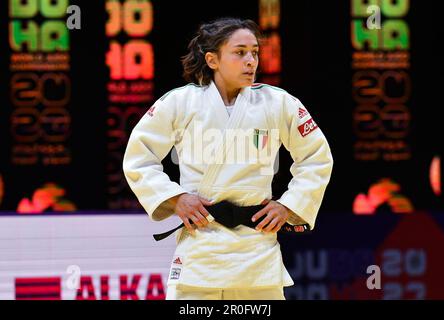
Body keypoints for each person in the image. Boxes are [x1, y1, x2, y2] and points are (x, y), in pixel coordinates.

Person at [123, 17, 333, 300]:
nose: (251, 61)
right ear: (212, 60)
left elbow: (317, 158)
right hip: (201, 250)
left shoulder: (279, 103)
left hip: (257, 251)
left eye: (255, 52)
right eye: (240, 52)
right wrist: (176, 198)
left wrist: (288, 205)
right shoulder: (179, 102)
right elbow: (138, 157)